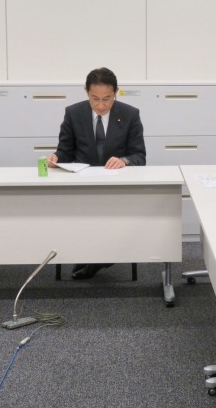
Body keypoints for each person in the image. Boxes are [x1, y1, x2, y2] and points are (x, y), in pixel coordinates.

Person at [48, 67, 146, 279]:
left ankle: (100, 256)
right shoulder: (73, 113)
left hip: (117, 188)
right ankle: (96, 255)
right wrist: (56, 158)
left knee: (112, 217)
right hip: (82, 187)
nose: (101, 105)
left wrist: (124, 160)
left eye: (107, 99)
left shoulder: (130, 115)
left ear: (116, 92)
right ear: (86, 91)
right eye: (95, 99)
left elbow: (139, 156)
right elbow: (65, 151)